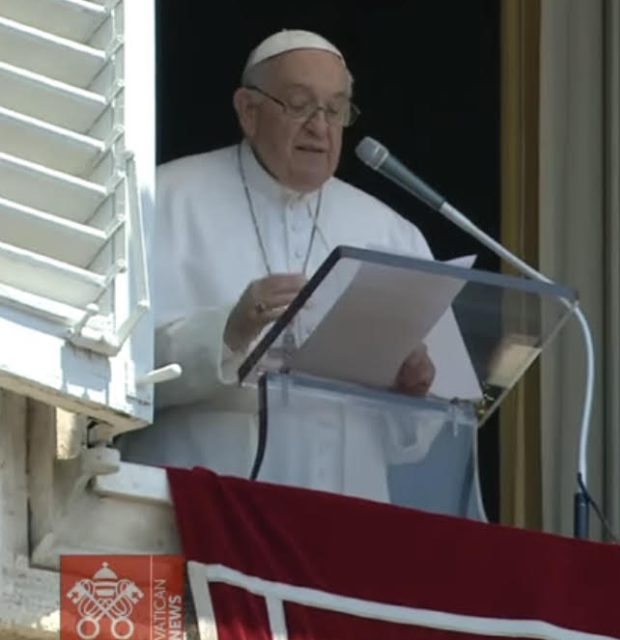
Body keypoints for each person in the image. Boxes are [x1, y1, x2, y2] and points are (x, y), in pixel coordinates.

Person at [119, 30, 446, 502]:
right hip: (195, 502)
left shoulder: (393, 235)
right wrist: (227, 333)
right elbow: (118, 374)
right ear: (248, 111)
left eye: (335, 109)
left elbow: (415, 441)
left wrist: (413, 395)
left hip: (343, 513)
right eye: (299, 105)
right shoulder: (162, 200)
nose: (320, 126)